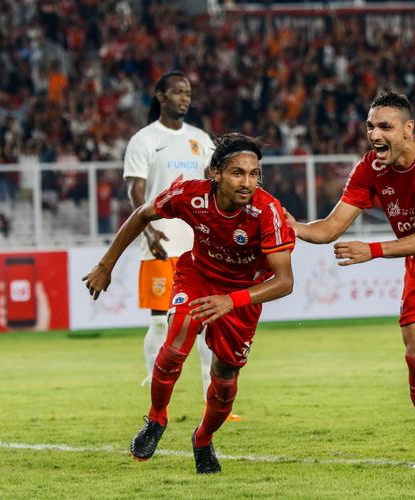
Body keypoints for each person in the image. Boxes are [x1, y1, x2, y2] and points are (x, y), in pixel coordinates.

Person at [285, 91, 415, 467]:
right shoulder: (369, 169)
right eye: (371, 126)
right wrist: (294, 227)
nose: (375, 134)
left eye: (385, 126)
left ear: (408, 129)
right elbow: (331, 227)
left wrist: (374, 250)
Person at [83, 133, 295, 473]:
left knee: (224, 381)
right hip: (197, 277)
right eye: (238, 173)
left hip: (241, 295)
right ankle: (156, 420)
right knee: (178, 334)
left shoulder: (267, 211)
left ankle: (203, 438)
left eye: (254, 174)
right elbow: (141, 214)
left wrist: (231, 300)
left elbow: (284, 282)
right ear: (216, 174)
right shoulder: (191, 194)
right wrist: (105, 265)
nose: (247, 182)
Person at [123, 71, 240, 420]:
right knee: (161, 323)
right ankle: (159, 402)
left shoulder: (201, 140)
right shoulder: (145, 139)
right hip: (159, 243)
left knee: (208, 322)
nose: (184, 98)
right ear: (160, 96)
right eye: (177, 92)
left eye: (188, 92)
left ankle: (212, 399)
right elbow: (135, 191)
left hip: (199, 246)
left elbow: (216, 185)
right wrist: (148, 231)